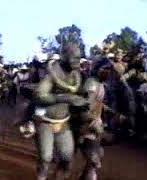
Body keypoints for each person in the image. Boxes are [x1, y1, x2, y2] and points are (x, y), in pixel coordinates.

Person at [30, 43, 87, 180]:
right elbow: (39, 95)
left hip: (64, 121)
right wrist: (64, 98)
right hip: (45, 121)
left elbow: (81, 95)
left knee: (67, 156)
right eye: (74, 57)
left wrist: (83, 102)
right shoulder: (52, 73)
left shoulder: (76, 74)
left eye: (79, 58)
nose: (77, 61)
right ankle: (41, 177)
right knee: (46, 157)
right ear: (64, 56)